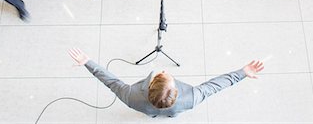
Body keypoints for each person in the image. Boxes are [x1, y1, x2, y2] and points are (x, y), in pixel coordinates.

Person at [69, 47, 264, 117]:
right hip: (175, 112)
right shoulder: (192, 98)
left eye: (162, 74)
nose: (165, 70)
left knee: (152, 114)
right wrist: (242, 73)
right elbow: (216, 85)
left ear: (151, 85)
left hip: (146, 109)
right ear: (176, 91)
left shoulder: (131, 97)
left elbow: (110, 81)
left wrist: (88, 62)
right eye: (168, 75)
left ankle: (154, 116)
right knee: (172, 115)